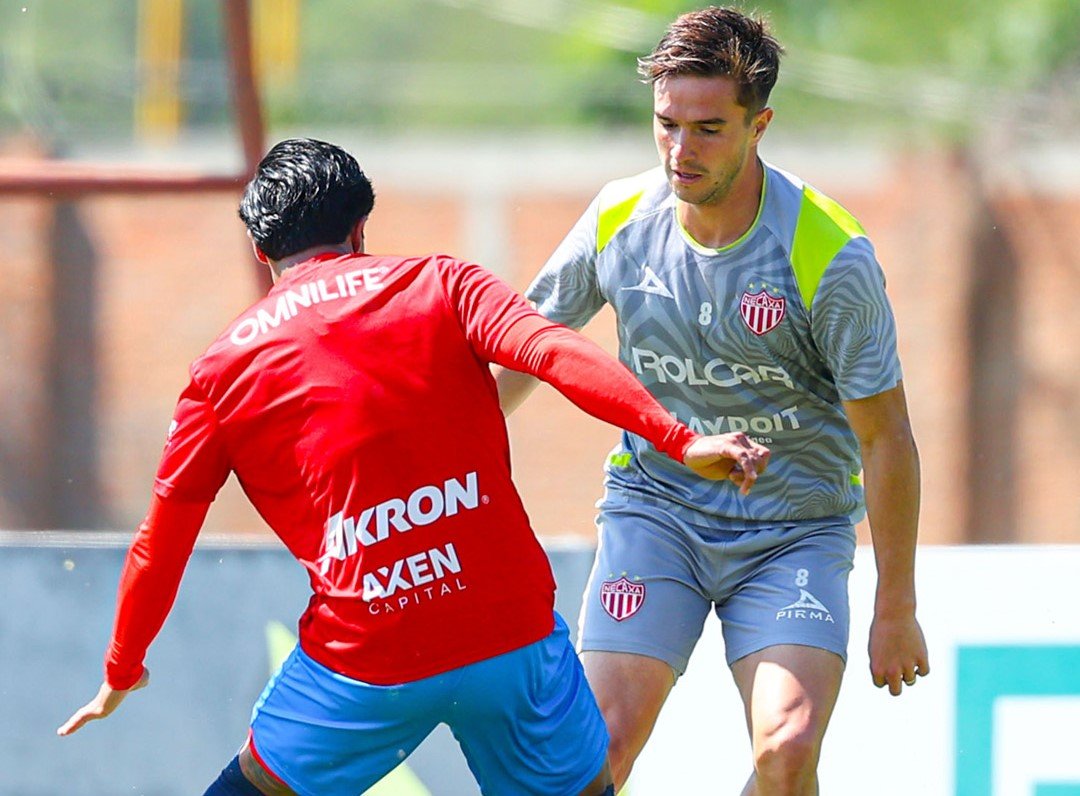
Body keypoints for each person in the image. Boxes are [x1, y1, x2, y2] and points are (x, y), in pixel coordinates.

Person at [57, 137, 769, 796]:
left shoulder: (220, 369)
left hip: (366, 658)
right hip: (508, 636)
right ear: (362, 227)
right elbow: (553, 351)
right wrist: (679, 439)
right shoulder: (442, 283)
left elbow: (163, 538)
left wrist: (122, 666)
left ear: (258, 246)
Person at [495, 6, 930, 794]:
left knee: (787, 748)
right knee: (596, 754)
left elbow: (887, 436)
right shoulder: (619, 218)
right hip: (654, 516)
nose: (680, 151)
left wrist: (895, 603)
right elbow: (525, 347)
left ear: (760, 124)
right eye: (666, 125)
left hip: (792, 533)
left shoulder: (828, 253)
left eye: (708, 130)